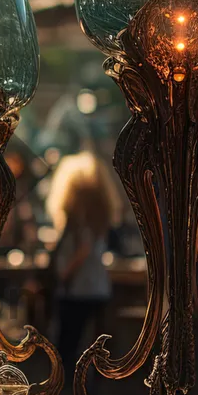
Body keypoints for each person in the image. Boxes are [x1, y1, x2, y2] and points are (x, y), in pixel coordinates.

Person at [44, 152, 123, 382]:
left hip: (77, 291)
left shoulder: (80, 222)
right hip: (95, 290)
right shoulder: (97, 220)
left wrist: (64, 272)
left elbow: (82, 250)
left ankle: (69, 389)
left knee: (68, 348)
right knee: (89, 349)